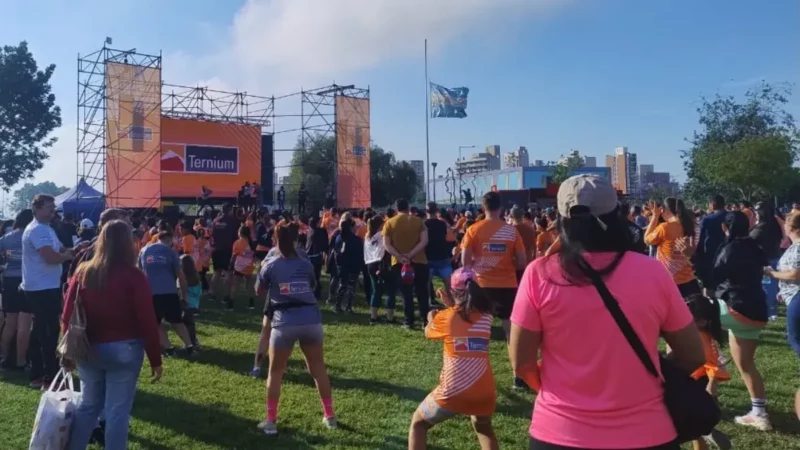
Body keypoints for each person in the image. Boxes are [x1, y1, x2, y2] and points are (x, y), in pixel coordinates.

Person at [509, 175, 704, 450]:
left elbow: (522, 363)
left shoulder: (539, 274)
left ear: (562, 220)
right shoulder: (652, 272)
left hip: (560, 429)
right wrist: (649, 374)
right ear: (617, 215)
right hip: (647, 431)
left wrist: (560, 388)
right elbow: (693, 355)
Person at [63, 220, 163, 450]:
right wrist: (155, 359)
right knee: (117, 411)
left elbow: (67, 315)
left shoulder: (83, 272)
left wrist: (70, 348)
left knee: (88, 406)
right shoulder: (134, 275)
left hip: (88, 347)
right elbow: (147, 320)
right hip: (124, 348)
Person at [257, 223, 336, 435]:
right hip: (311, 320)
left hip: (284, 322)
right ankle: (330, 416)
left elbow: (258, 290)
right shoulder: (305, 262)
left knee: (275, 373)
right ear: (296, 240)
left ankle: (271, 421)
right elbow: (312, 284)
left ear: (275, 239)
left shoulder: (270, 264)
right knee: (318, 369)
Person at [408, 268, 498, 450]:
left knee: (418, 423)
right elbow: (464, 319)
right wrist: (450, 305)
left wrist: (431, 317)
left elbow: (428, 332)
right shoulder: (487, 317)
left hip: (453, 390)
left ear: (453, 291)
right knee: (484, 428)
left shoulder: (446, 317)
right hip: (485, 390)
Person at [711, 211, 771, 431]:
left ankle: (711, 379)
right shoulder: (755, 246)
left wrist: (692, 259)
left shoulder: (729, 248)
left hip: (733, 307)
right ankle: (759, 414)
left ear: (725, 228)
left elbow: (713, 278)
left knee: (691, 326)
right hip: (756, 311)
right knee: (746, 364)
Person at [22, 194, 76, 388]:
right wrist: (68, 256)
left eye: (54, 207)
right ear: (36, 208)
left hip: (44, 285)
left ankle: (37, 373)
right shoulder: (38, 230)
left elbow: (60, 250)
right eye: (49, 207)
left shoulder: (46, 228)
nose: (53, 210)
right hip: (42, 287)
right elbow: (51, 258)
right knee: (49, 332)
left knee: (40, 331)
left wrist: (74, 250)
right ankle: (50, 376)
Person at [461, 192, 526, 343]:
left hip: (481, 283)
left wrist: (480, 263)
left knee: (476, 324)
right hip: (507, 284)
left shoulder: (473, 229)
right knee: (508, 325)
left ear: (483, 208)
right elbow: (522, 262)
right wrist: (506, 263)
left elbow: (465, 262)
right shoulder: (511, 231)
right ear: (501, 208)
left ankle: (475, 354)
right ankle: (512, 355)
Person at [685, 294, 733, 450]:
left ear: (702, 321)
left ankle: (707, 433)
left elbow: (713, 364)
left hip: (699, 386)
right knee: (693, 426)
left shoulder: (700, 339)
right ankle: (705, 433)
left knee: (693, 425)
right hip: (694, 383)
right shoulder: (699, 335)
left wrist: (711, 385)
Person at [138, 228, 195, 355]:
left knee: (155, 323)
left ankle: (169, 348)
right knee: (177, 321)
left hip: (151, 293)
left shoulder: (143, 250)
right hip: (170, 292)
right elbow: (181, 276)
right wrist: (184, 297)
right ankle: (190, 346)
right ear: (170, 240)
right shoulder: (171, 252)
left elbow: (139, 273)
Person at [383, 198, 430, 329]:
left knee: (406, 293)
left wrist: (399, 256)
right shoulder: (418, 221)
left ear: (396, 209)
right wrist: (411, 254)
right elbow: (424, 241)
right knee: (422, 292)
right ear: (408, 207)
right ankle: (426, 320)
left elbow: (387, 244)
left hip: (399, 263)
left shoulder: (389, 223)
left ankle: (409, 321)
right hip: (419, 260)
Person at [645, 198, 701, 298]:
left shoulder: (664, 228)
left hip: (670, 283)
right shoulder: (691, 226)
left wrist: (655, 216)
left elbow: (647, 240)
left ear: (665, 210)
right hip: (690, 281)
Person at [0, 209, 34, 370]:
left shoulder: (5, 238)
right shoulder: (31, 236)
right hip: (27, 280)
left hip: (9, 281)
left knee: (10, 323)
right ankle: (21, 361)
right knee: (25, 325)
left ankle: (4, 358)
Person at [766, 212, 800, 365]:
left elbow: (795, 274)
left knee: (795, 338)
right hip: (793, 295)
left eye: (785, 223)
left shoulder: (797, 248)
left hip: (797, 295)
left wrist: (772, 273)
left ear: (792, 228)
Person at [750, 202, 783, 321]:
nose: (755, 214)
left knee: (767, 287)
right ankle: (771, 311)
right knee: (771, 287)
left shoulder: (762, 227)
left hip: (766, 261)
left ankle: (770, 312)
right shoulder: (774, 224)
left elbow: (750, 240)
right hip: (774, 257)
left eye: (757, 212)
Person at [364, 215, 396, 324]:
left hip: (370, 264)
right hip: (383, 264)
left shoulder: (368, 236)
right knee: (391, 290)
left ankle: (373, 316)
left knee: (376, 291)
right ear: (380, 225)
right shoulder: (383, 235)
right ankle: (390, 317)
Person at [694, 195, 728, 289]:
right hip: (728, 254)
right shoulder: (731, 216)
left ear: (712, 204)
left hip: (710, 256)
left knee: (710, 286)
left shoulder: (707, 219)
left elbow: (701, 239)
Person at [332, 220, 364, 314]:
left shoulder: (338, 238)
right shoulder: (356, 240)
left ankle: (338, 306)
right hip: (353, 267)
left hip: (342, 266)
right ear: (350, 228)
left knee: (342, 286)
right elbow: (359, 254)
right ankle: (348, 307)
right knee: (351, 287)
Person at [211, 204, 241, 300]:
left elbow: (213, 234)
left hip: (216, 249)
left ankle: (212, 293)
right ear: (230, 210)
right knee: (228, 273)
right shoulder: (232, 220)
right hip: (227, 249)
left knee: (217, 272)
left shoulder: (215, 220)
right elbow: (235, 235)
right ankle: (226, 295)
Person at [425, 203, 454, 300]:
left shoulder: (423, 224)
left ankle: (428, 301)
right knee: (449, 284)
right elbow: (449, 238)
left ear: (426, 211)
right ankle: (453, 303)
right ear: (436, 210)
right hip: (443, 256)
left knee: (426, 283)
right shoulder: (442, 224)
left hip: (428, 256)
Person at [229, 226, 257, 310]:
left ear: (240, 233)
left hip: (239, 266)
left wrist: (230, 266)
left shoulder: (238, 242)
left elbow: (234, 256)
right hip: (249, 266)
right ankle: (252, 303)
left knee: (235, 285)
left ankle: (230, 304)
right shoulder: (251, 243)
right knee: (249, 285)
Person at [180, 254, 202, 347]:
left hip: (186, 304)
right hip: (195, 304)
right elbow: (199, 292)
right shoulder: (196, 277)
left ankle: (192, 342)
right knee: (190, 324)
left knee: (187, 325)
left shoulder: (183, 279)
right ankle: (193, 341)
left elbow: (181, 291)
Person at [510, 205, 537, 280]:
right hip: (527, 262)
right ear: (523, 215)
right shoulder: (530, 229)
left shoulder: (509, 230)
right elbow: (534, 247)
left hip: (513, 264)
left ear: (511, 216)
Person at [306, 216, 329, 300]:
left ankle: (315, 289)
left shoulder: (309, 231)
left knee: (311, 275)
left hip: (308, 256)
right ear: (317, 223)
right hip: (316, 257)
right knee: (316, 275)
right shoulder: (320, 232)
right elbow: (324, 244)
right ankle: (316, 291)